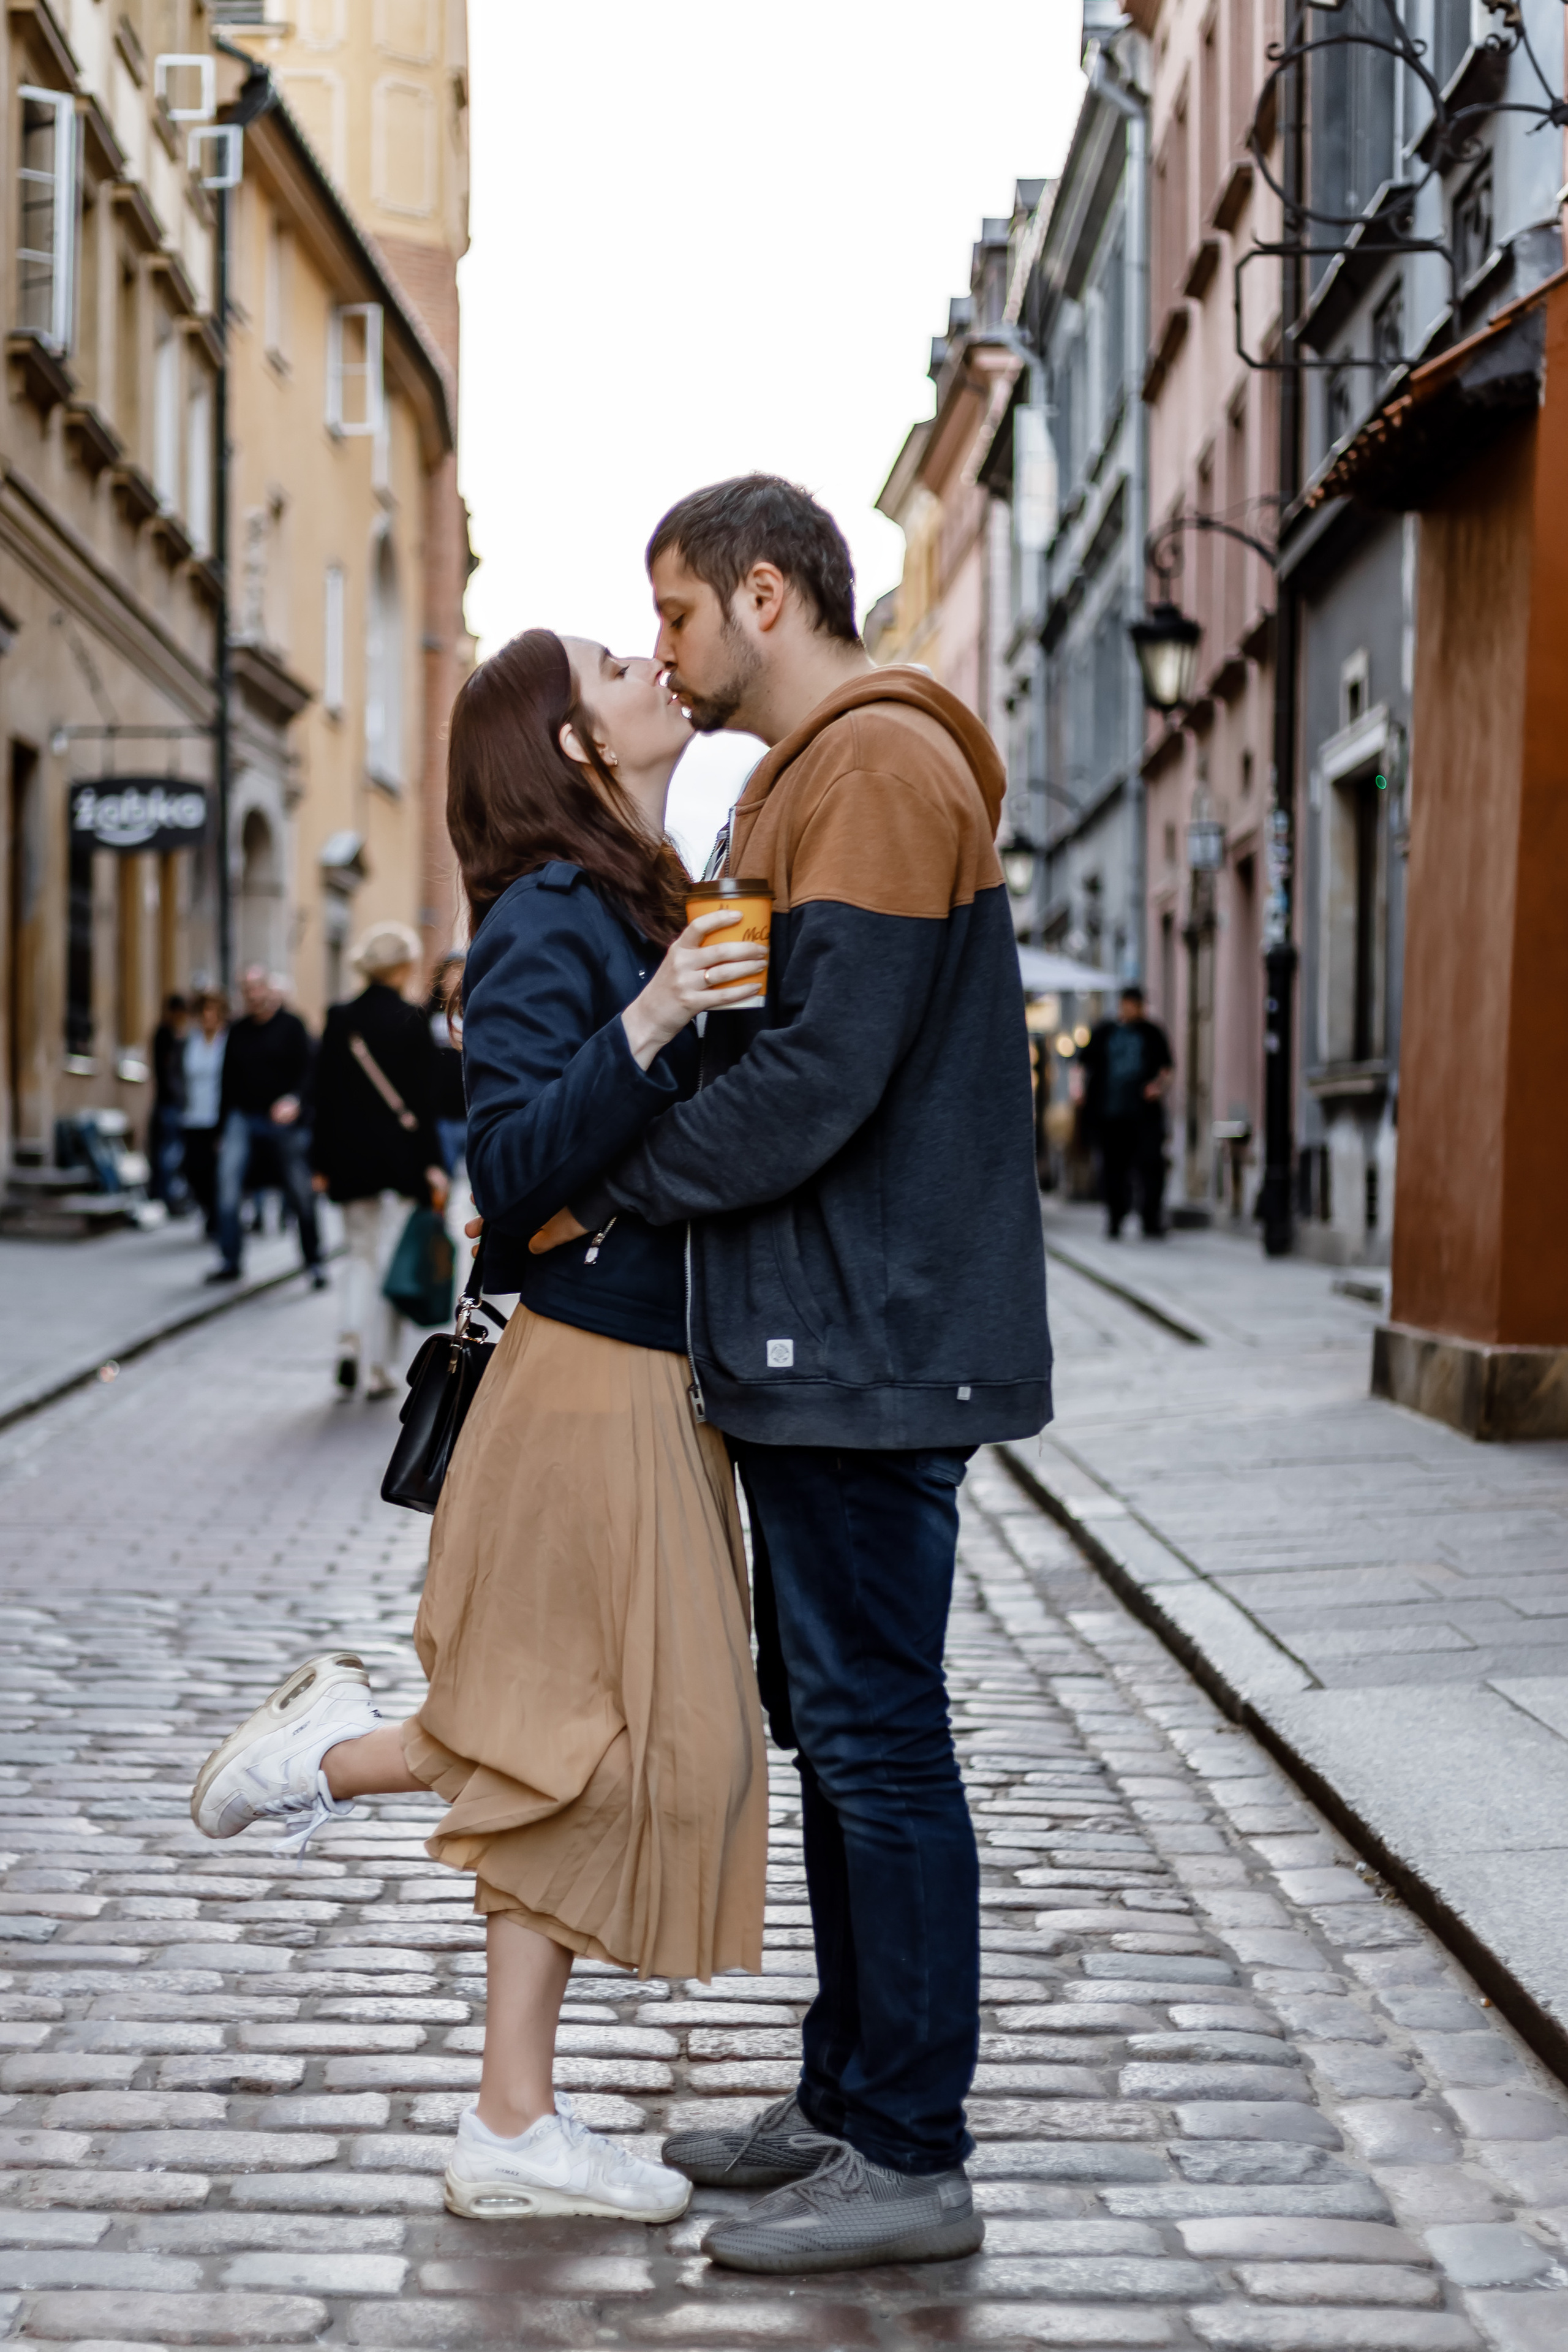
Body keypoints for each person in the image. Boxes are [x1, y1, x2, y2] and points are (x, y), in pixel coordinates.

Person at [530, 475, 1052, 2275]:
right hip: (822, 1330)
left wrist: (609, 1185)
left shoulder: (880, 768)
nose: (660, 647)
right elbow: (749, 1021)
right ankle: (847, 2093)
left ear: (765, 593)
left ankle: (907, 2145)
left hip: (874, 1333)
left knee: (880, 1736)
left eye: (672, 612)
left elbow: (817, 1074)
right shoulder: (798, 784)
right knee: (841, 1727)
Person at [190, 627, 769, 2228]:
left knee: (583, 1733)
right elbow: (509, 1168)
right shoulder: (543, 922)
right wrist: (654, 1019)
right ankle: (330, 1772)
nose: (651, 660)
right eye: (610, 658)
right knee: (620, 1741)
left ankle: (510, 2122)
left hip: (650, 1365)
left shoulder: (642, 888)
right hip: (591, 1370)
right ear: (568, 742)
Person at [309, 922, 450, 1398]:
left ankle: (349, 1344)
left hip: (349, 1162)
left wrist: (319, 1162)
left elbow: (322, 1097)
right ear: (405, 967)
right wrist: (435, 1164)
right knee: (391, 1263)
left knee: (357, 1256)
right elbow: (425, 1105)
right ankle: (379, 1370)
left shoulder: (339, 1017)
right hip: (400, 1162)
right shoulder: (412, 1021)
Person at [210, 967, 325, 1287]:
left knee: (301, 1192)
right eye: (246, 989)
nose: (252, 995)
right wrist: (221, 1129)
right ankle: (230, 1260)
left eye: (257, 988)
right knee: (227, 1187)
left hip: (284, 1122)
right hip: (243, 1117)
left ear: (268, 990)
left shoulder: (292, 1025)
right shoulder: (237, 1030)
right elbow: (226, 1080)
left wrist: (295, 1101)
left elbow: (310, 1072)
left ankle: (314, 1262)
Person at [1082, 984, 1174, 1239]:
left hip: (1144, 1116)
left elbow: (1167, 1069)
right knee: (1112, 1169)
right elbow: (1083, 1063)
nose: (1132, 1010)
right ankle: (1115, 1218)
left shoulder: (1153, 1033)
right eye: (1128, 1005)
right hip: (1110, 1115)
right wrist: (1078, 1091)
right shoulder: (1105, 1031)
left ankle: (1151, 1219)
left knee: (1150, 1167)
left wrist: (1158, 1087)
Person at [181, 991, 228, 1237]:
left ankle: (220, 1217)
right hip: (193, 1116)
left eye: (212, 1012)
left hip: (219, 1118)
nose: (207, 1017)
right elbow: (179, 1075)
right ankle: (210, 1210)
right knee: (194, 1169)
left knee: (218, 1171)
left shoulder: (228, 1042)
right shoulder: (191, 1042)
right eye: (203, 1012)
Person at [426, 951, 469, 1177]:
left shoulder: (478, 1012)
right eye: (450, 974)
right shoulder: (426, 1015)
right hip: (442, 1116)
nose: (454, 981)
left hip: (471, 1113)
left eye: (460, 974)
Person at [149, 994, 190, 1210]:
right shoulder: (165, 1035)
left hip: (171, 1102)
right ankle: (166, 1197)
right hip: (169, 1103)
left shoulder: (173, 1035)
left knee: (170, 1152)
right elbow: (168, 1073)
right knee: (169, 1153)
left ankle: (168, 1196)